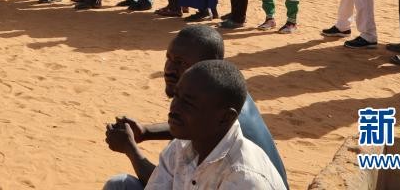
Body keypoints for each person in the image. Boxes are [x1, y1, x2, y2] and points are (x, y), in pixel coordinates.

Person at [102, 26, 288, 190]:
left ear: (210, 64)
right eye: (169, 59)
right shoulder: (200, 123)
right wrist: (146, 132)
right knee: (119, 185)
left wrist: (131, 149)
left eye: (182, 63)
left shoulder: (244, 176)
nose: (169, 70)